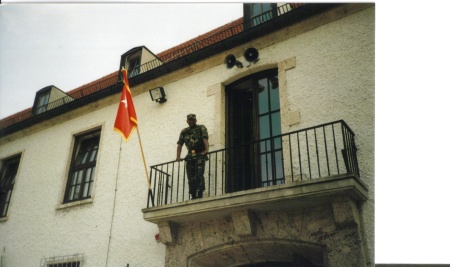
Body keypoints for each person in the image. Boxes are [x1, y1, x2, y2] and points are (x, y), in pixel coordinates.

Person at [176, 114, 209, 199]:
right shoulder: (184, 131)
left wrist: (206, 150)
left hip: (199, 154)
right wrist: (178, 156)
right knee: (191, 177)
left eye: (193, 120)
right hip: (190, 156)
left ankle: (199, 193)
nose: (191, 121)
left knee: (199, 174)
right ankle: (193, 194)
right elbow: (180, 144)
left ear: (195, 120)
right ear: (187, 121)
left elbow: (205, 139)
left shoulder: (201, 128)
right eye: (189, 120)